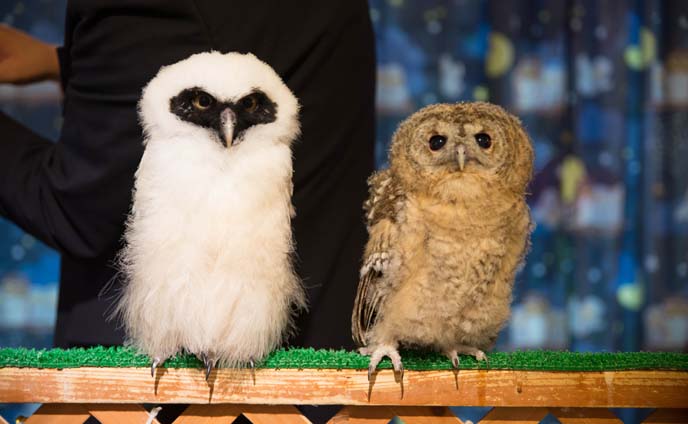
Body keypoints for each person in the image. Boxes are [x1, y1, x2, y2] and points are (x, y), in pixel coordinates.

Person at [0, 0, 374, 367]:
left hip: (174, 390)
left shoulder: (149, 11)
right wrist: (67, 64)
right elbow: (242, 39)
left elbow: (75, 209)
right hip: (314, 355)